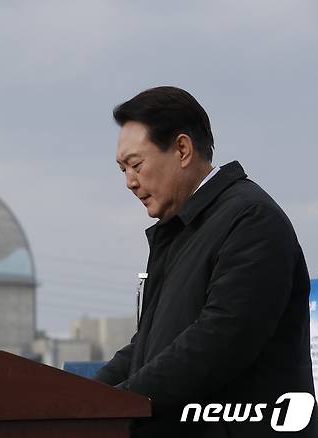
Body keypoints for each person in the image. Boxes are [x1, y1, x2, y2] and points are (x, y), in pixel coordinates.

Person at [95, 86, 317, 437]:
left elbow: (217, 342)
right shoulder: (180, 231)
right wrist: (86, 397)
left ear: (182, 149)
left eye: (136, 165)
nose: (129, 183)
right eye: (122, 170)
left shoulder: (250, 219)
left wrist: (114, 405)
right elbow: (148, 344)